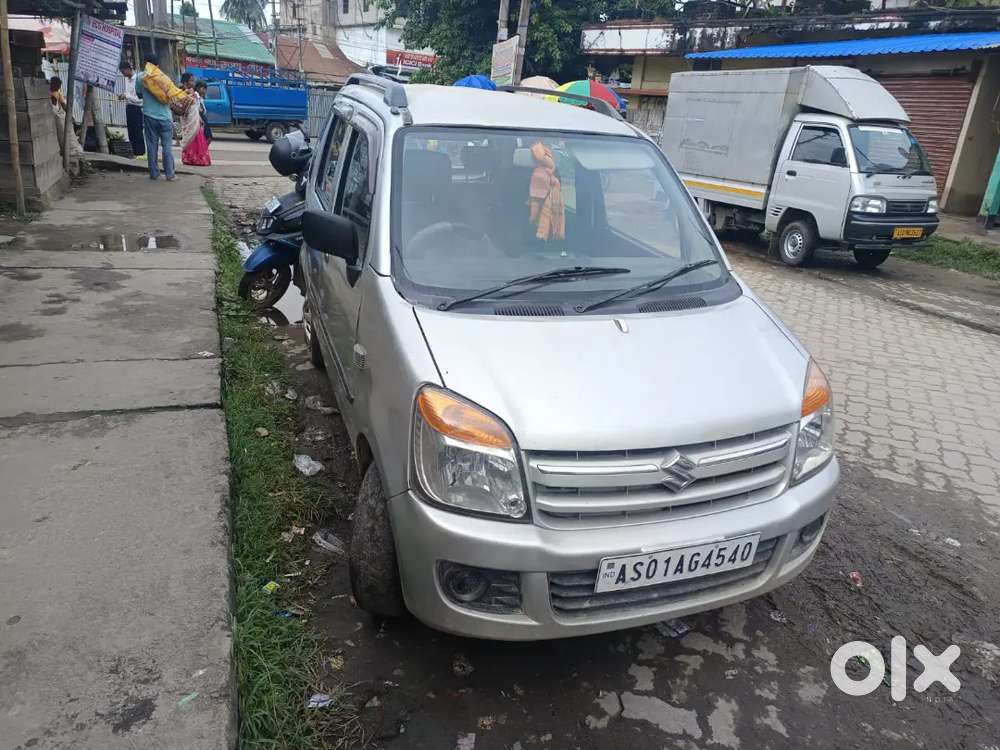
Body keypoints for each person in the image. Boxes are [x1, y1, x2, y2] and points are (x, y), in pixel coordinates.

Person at [135, 53, 176, 181]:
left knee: (152, 145)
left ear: (145, 64)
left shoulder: (141, 77)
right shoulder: (164, 78)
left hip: (149, 116)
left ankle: (154, 173)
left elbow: (139, 95)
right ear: (157, 65)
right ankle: (170, 175)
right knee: (167, 146)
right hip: (165, 117)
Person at [179, 75, 211, 166]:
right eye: (191, 80)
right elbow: (184, 107)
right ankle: (190, 158)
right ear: (185, 83)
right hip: (188, 119)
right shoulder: (182, 93)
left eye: (193, 80)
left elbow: (196, 107)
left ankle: (196, 158)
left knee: (197, 139)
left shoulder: (193, 93)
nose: (193, 82)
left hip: (195, 119)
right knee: (190, 138)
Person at [116, 61, 145, 158]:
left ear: (128, 69)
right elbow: (128, 94)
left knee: (137, 131)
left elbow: (140, 99)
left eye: (123, 71)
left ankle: (140, 153)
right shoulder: (127, 80)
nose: (123, 74)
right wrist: (123, 95)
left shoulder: (137, 79)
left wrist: (127, 96)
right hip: (129, 107)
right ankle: (134, 152)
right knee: (131, 131)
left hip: (137, 108)